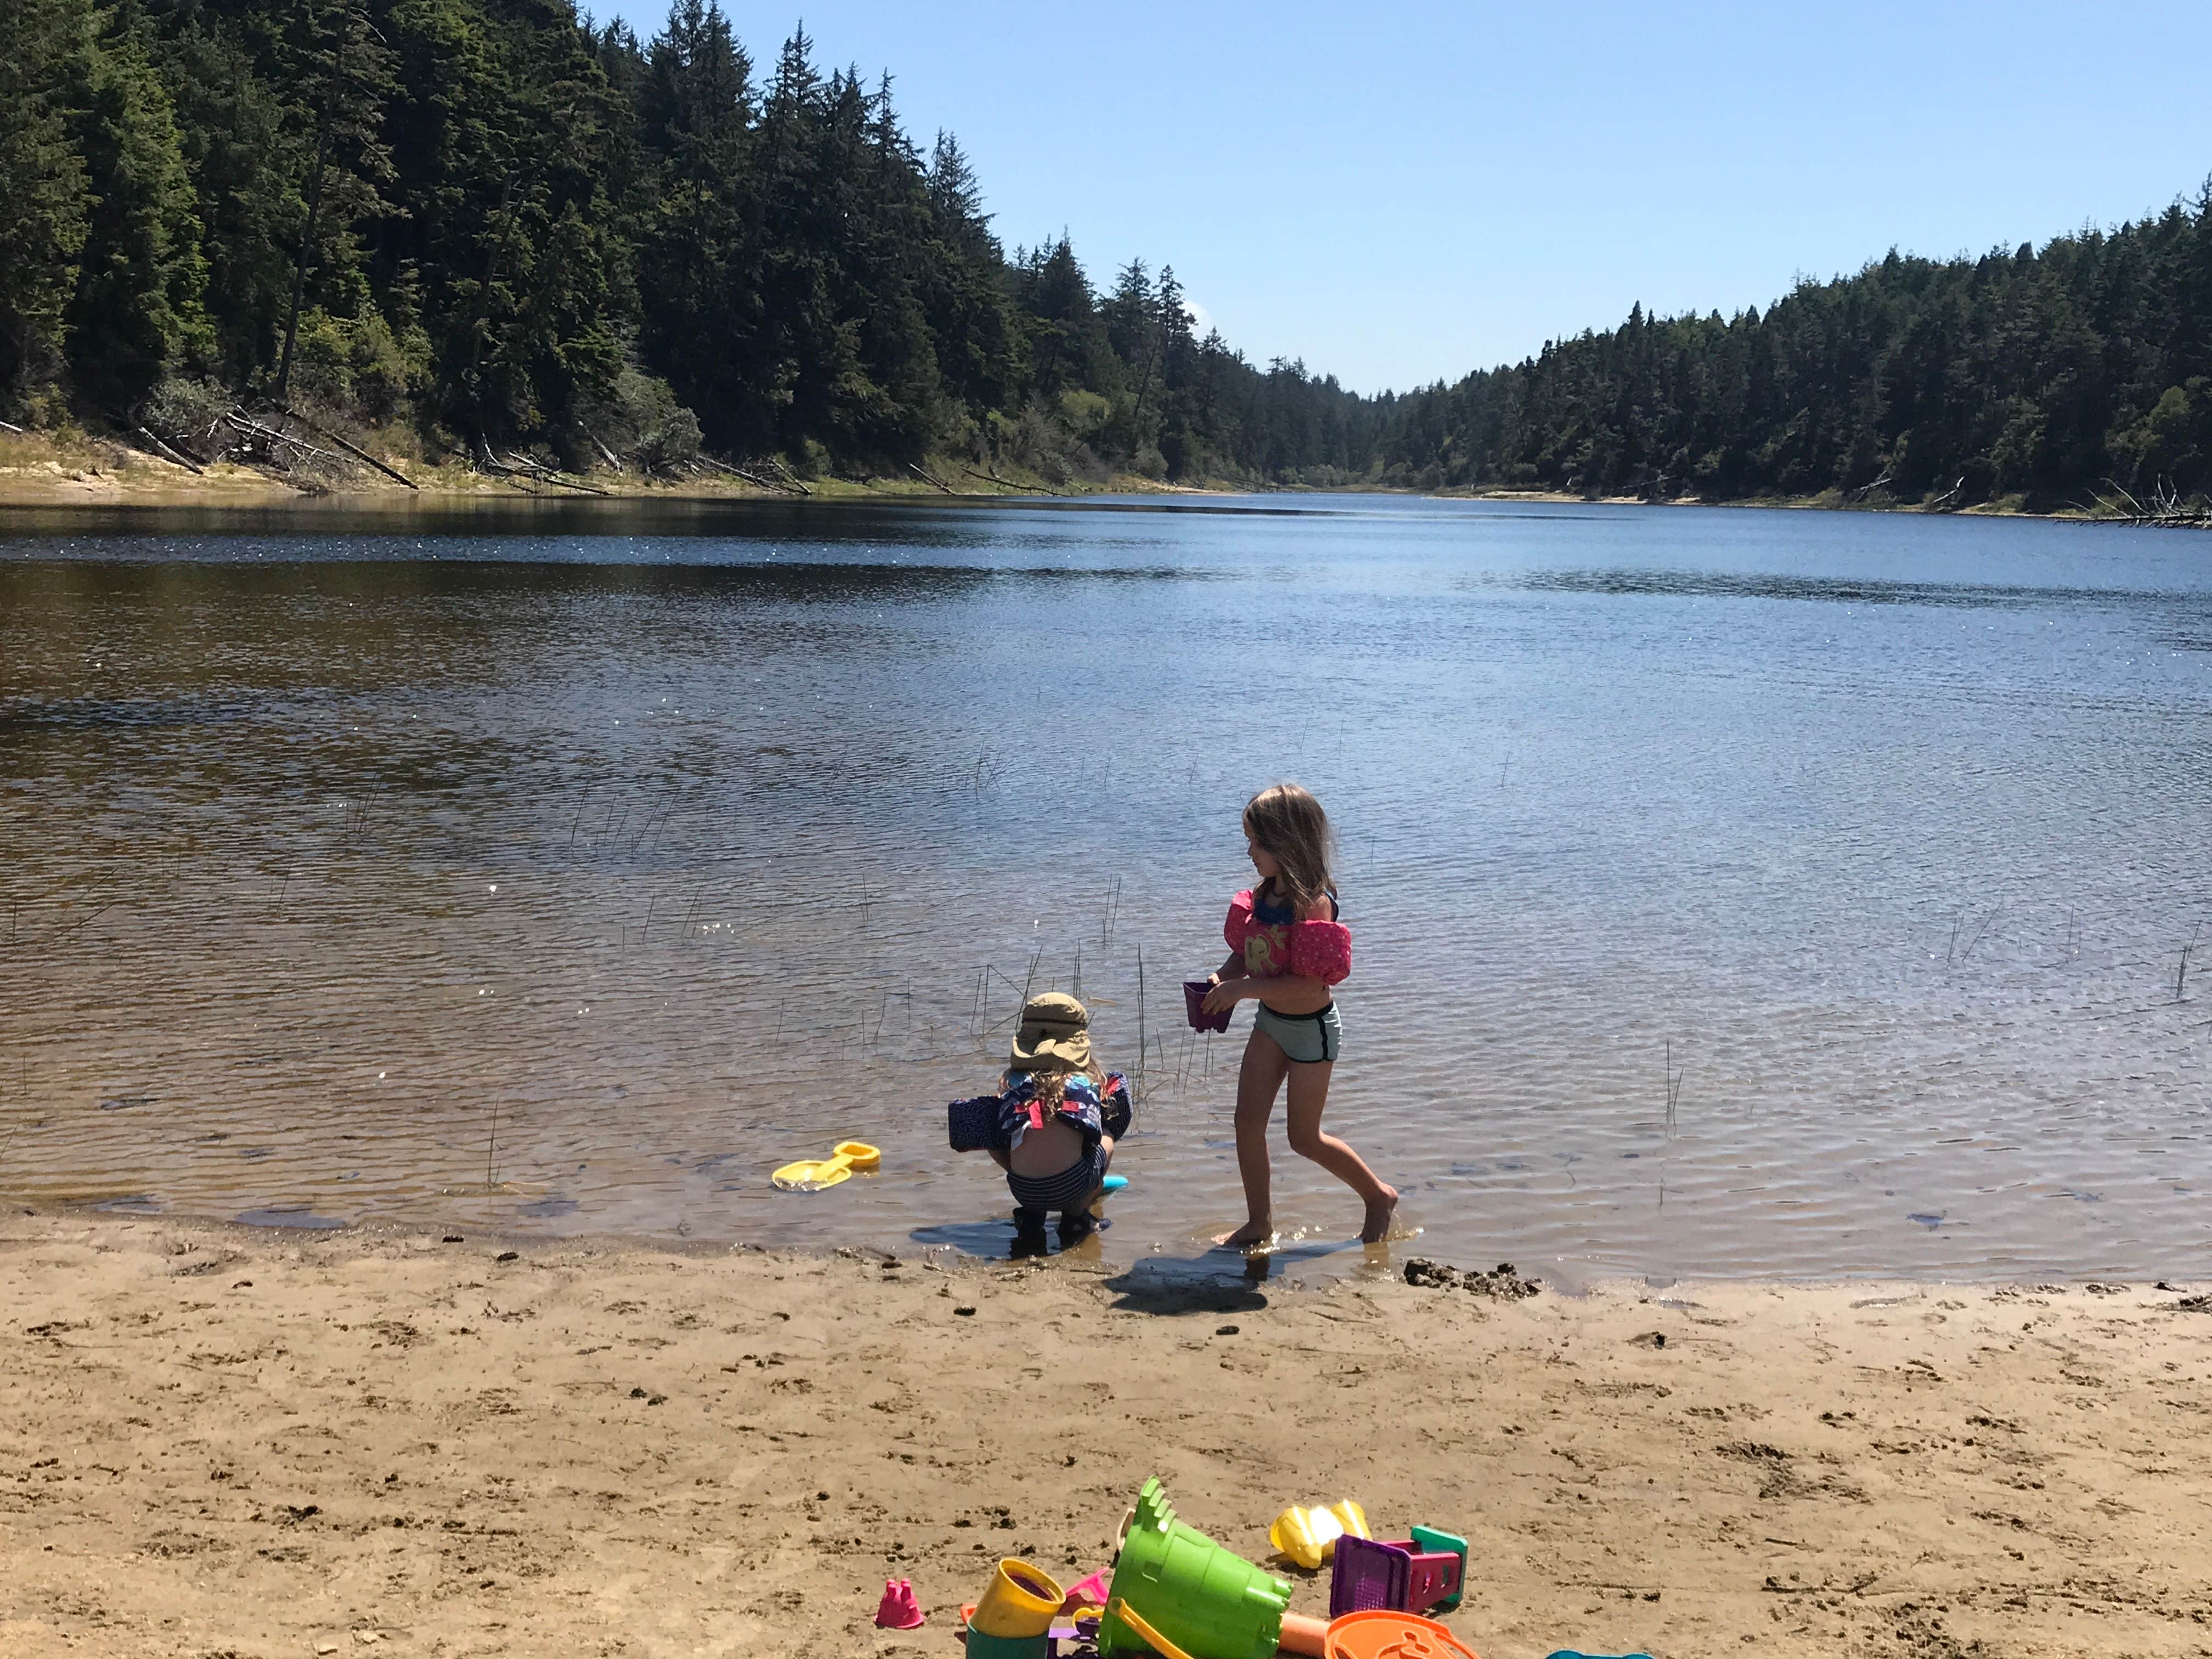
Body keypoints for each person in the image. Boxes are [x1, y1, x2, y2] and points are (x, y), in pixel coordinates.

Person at [1201, 783, 1397, 1246]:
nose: (1249, 852)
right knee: (1246, 1124)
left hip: (1312, 1031)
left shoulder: (1314, 904)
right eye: (1248, 841)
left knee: (1304, 1138)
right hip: (1271, 1024)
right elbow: (1249, 955)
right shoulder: (1262, 896)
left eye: (1256, 842)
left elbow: (1309, 984)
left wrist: (1243, 989)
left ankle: (1378, 1196)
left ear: (1286, 843)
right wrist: (1221, 978)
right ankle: (1259, 1222)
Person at [975, 993, 1131, 1245]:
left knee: (1001, 1136)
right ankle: (1076, 1218)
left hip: (1023, 1189)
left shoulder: (1011, 1083)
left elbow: (996, 1138)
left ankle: (1031, 1218)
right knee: (1106, 1136)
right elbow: (1093, 1134)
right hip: (1072, 1187)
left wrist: (1017, 1170)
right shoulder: (1086, 1082)